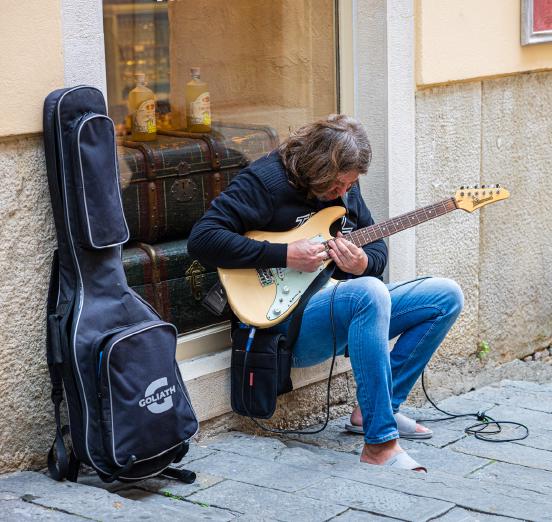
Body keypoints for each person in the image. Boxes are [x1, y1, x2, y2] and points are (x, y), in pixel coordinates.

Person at [188, 114, 463, 472]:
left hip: (343, 306)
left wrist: (361, 262)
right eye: (336, 185)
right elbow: (203, 239)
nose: (343, 193)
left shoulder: (344, 185)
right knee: (369, 293)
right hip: (283, 325)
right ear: (317, 167)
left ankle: (376, 410)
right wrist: (285, 254)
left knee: (446, 296)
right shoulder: (265, 181)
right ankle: (380, 444)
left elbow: (376, 245)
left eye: (349, 184)